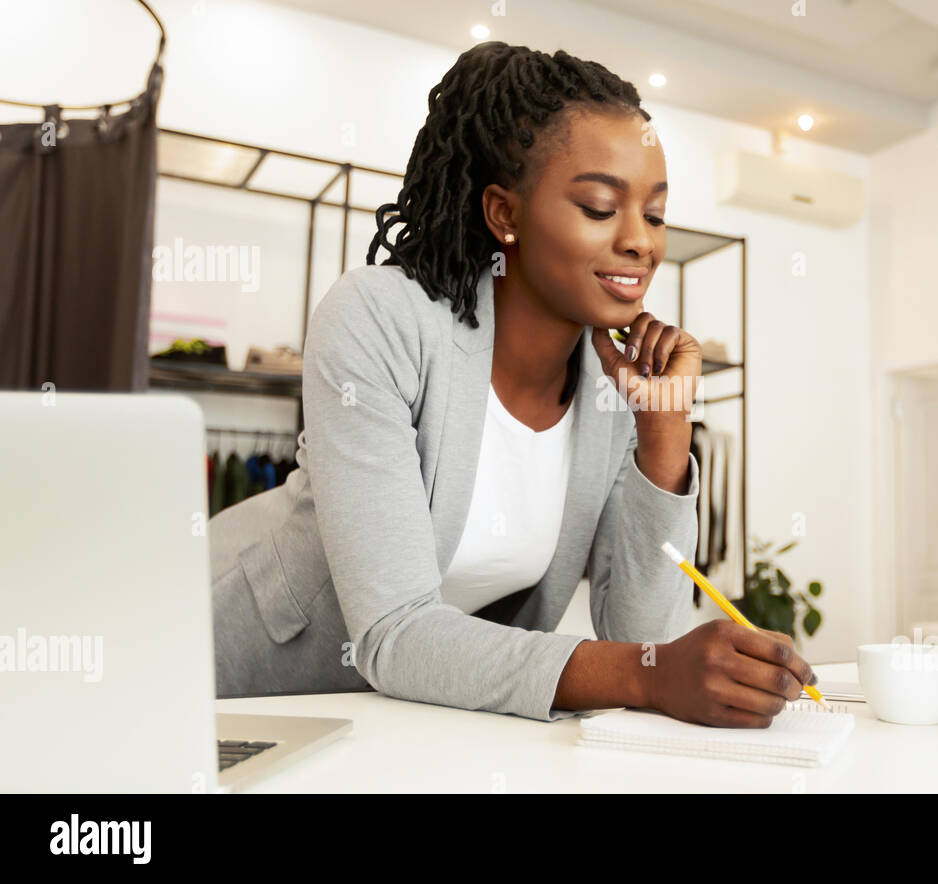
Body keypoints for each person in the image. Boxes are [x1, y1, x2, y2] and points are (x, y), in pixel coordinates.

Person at [208, 41, 815, 726]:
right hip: (220, 665)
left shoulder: (615, 385)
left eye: (653, 214)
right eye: (597, 207)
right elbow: (395, 632)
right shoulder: (381, 318)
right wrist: (647, 678)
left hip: (400, 718)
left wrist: (665, 433)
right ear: (505, 214)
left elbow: (643, 638)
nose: (642, 243)